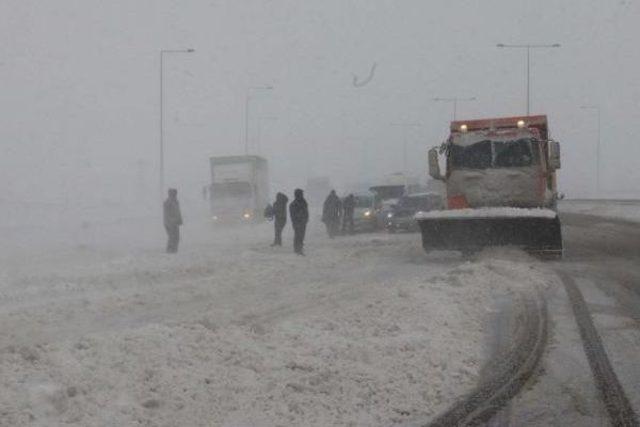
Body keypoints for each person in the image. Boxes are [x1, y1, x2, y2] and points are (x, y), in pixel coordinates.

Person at [289, 188, 309, 255]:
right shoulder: (294, 204)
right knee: (298, 235)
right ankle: (298, 249)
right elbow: (293, 215)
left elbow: (306, 212)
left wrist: (305, 219)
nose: (302, 195)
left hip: (302, 222)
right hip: (297, 223)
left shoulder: (303, 202)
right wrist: (296, 220)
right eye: (301, 194)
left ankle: (299, 248)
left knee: (301, 236)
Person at [163, 188, 183, 253]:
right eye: (173, 194)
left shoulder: (176, 202)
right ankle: (170, 250)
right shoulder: (167, 202)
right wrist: (171, 221)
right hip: (170, 223)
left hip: (175, 223)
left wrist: (180, 220)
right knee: (172, 237)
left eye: (175, 194)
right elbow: (167, 214)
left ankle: (174, 250)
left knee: (176, 237)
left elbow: (178, 212)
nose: (175, 195)